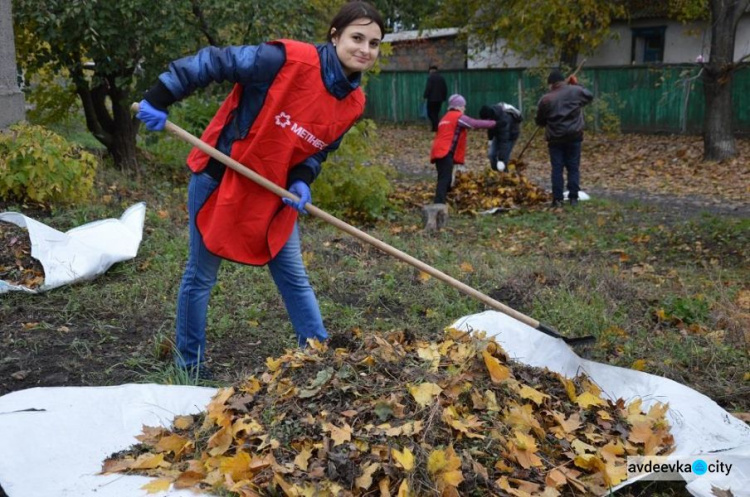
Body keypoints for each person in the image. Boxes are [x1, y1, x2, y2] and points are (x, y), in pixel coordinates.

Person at [135, 1, 384, 379]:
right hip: (221, 178)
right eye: (357, 38)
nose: (365, 49)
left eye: (375, 43)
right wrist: (159, 96)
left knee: (294, 276)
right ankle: (189, 368)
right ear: (334, 36)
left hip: (273, 192)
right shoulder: (284, 59)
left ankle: (320, 358)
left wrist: (302, 178)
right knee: (200, 275)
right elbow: (212, 62)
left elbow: (318, 149)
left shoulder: (353, 102)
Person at [535, 69, 594, 207]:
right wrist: (577, 85)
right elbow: (589, 96)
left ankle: (557, 199)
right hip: (574, 136)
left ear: (551, 84)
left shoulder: (546, 99)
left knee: (557, 168)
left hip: (555, 139)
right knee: (573, 167)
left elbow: (540, 121)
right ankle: (573, 198)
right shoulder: (575, 91)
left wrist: (546, 121)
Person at [429, 94, 497, 204]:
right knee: (444, 179)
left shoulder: (445, 117)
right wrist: (495, 123)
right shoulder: (457, 117)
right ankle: (439, 204)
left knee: (446, 178)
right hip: (445, 152)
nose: (465, 108)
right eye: (463, 106)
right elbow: (474, 124)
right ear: (458, 106)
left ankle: (445, 201)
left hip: (438, 150)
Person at [479, 102, 523, 171]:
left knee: (504, 159)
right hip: (499, 134)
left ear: (489, 117)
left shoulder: (504, 120)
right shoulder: (492, 114)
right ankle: (495, 172)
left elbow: (504, 141)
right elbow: (491, 128)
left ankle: (504, 176)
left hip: (510, 135)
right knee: (492, 155)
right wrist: (490, 139)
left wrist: (501, 159)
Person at [423, 65, 448, 132]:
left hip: (431, 99)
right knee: (436, 113)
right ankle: (435, 127)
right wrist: (444, 97)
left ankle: (436, 126)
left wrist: (425, 96)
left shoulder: (430, 78)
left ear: (431, 70)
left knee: (430, 113)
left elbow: (428, 88)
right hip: (439, 99)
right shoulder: (441, 78)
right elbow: (444, 88)